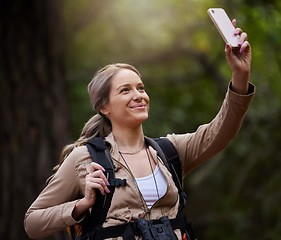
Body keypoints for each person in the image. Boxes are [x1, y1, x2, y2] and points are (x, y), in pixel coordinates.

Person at [24, 21, 255, 240]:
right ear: (104, 107)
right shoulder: (84, 159)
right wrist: (82, 204)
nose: (139, 95)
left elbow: (222, 132)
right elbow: (32, 223)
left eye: (141, 88)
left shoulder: (170, 151)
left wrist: (240, 76)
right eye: (125, 90)